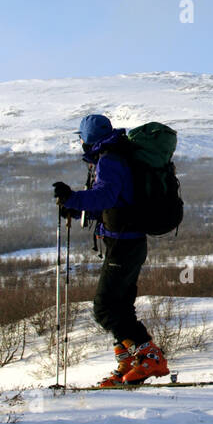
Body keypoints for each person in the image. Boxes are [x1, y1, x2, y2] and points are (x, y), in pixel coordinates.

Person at [52, 113, 168, 386]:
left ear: (88, 138)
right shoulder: (116, 155)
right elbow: (115, 201)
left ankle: (150, 358)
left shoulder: (110, 159)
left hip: (124, 243)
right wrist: (76, 205)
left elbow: (106, 195)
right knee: (120, 307)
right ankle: (131, 362)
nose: (80, 142)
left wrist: (72, 197)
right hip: (128, 241)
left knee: (105, 308)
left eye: (80, 137)